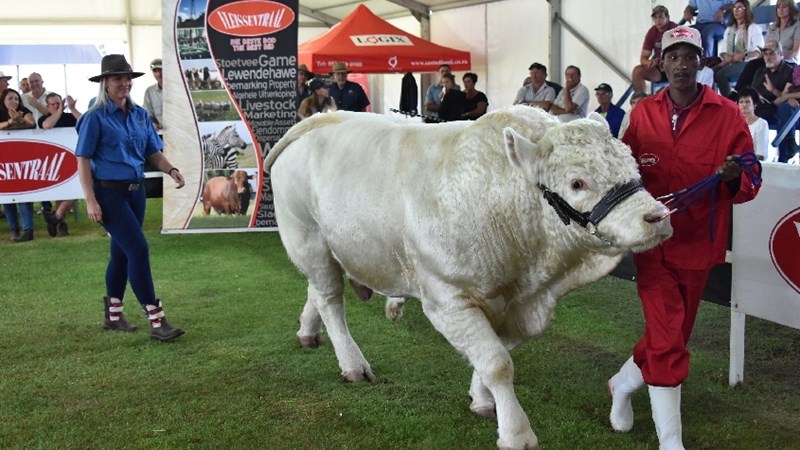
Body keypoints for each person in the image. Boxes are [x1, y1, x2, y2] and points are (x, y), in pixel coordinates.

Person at [612, 26, 760, 450]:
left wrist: (735, 177)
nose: (681, 63)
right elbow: (624, 172)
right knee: (667, 338)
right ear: (661, 63)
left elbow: (752, 176)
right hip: (652, 244)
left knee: (672, 335)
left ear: (700, 63)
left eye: (689, 56)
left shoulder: (728, 114)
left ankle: (623, 383)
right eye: (673, 55)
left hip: (699, 244)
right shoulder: (642, 114)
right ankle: (670, 442)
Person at [75, 54, 186, 342]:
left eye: (127, 78)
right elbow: (83, 160)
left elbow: (153, 152)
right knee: (138, 249)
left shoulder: (139, 115)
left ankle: (113, 317)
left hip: (136, 193)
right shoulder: (93, 118)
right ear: (104, 83)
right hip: (108, 192)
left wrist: (170, 169)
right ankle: (157, 320)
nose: (124, 83)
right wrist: (90, 200)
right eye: (117, 78)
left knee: (122, 252)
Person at [38, 92, 82, 237]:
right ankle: (61, 223)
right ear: (47, 106)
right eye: (54, 104)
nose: (57, 106)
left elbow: (85, 121)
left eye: (59, 103)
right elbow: (47, 125)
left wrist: (72, 108)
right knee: (60, 192)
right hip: (53, 160)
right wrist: (59, 111)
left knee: (77, 188)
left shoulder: (69, 117)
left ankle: (56, 217)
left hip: (72, 158)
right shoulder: (44, 118)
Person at [734, 0, 800, 94]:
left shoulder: (797, 26)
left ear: (791, 9)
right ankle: (739, 94)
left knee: (758, 68)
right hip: (770, 57)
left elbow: (795, 52)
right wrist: (763, 56)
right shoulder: (772, 27)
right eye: (778, 7)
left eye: (784, 7)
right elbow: (765, 48)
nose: (780, 10)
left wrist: (777, 54)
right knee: (752, 65)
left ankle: (746, 96)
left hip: (787, 61)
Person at [748, 40, 795, 161]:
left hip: (777, 109)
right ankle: (750, 157)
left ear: (781, 54)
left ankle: (783, 157)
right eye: (765, 54)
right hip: (760, 107)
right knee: (742, 108)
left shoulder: (789, 71)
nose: (768, 57)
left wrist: (773, 90)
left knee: (784, 109)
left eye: (772, 54)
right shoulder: (760, 71)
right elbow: (752, 92)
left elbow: (784, 98)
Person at [0, 88, 37, 242]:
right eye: (10, 98)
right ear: (3, 100)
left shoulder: (24, 111)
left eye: (16, 98)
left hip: (21, 157)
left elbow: (32, 124)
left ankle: (28, 230)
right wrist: (10, 121)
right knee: (7, 194)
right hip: (4, 159)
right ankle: (13, 229)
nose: (14, 101)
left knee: (23, 192)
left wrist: (19, 120)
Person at [714, 0, 763, 96]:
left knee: (721, 74)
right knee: (711, 72)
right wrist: (726, 56)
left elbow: (758, 52)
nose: (736, 11)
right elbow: (723, 50)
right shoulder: (730, 29)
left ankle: (729, 100)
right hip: (731, 62)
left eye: (739, 8)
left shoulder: (753, 28)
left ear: (746, 10)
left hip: (748, 63)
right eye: (734, 8)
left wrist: (744, 54)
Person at [632, 6, 679, 94]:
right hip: (660, 68)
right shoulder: (652, 32)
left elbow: (683, 52)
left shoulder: (676, 30)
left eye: (661, 17)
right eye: (655, 17)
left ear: (668, 17)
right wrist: (649, 63)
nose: (657, 20)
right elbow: (643, 58)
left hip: (676, 67)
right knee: (637, 71)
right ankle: (640, 102)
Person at [737, 87, 774, 161]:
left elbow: (761, 155)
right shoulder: (734, 123)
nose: (744, 105)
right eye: (741, 102)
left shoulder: (761, 124)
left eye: (747, 102)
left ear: (754, 104)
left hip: (752, 166)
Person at [143, 58, 163, 130]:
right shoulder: (149, 92)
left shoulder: (177, 89)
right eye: (155, 71)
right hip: (160, 134)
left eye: (160, 70)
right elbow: (148, 115)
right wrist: (152, 123)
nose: (158, 74)